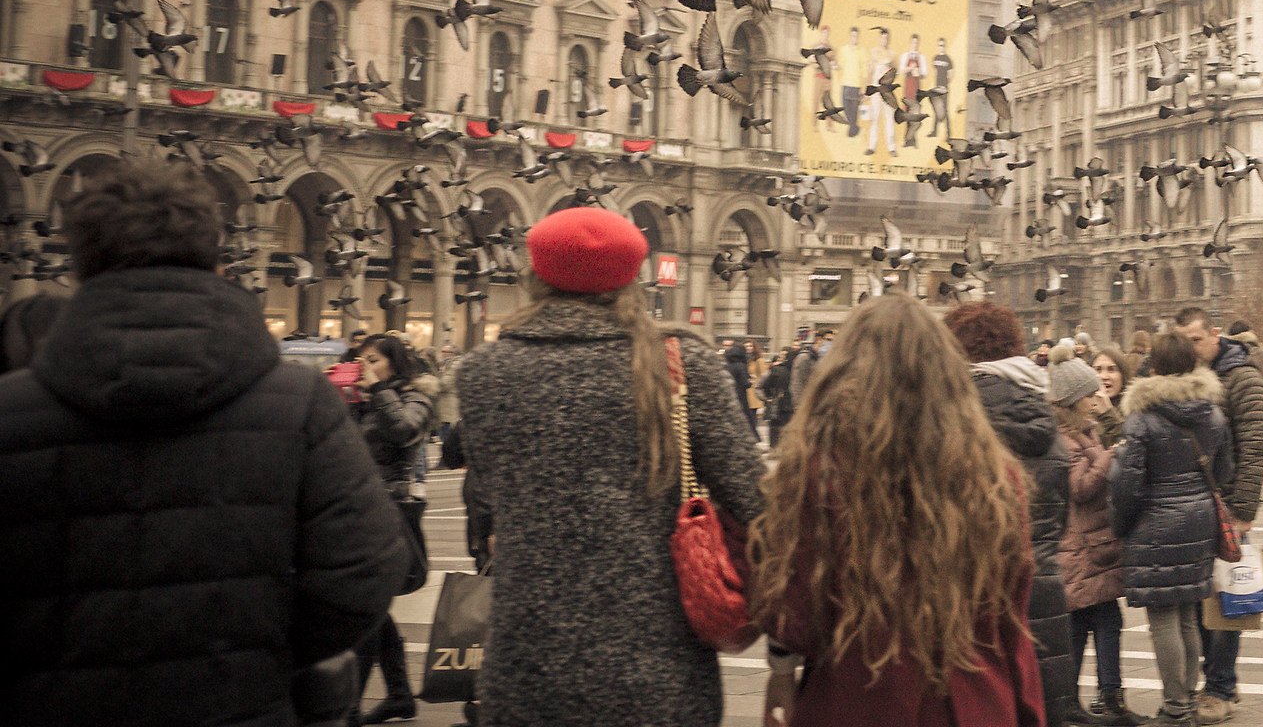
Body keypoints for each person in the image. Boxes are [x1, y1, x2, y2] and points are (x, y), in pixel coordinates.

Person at [0, 158, 410, 727]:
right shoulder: (299, 403)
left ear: (79, 263)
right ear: (215, 256)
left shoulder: (11, 413)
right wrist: (268, 656)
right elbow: (366, 567)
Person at [452, 207, 763, 727]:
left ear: (535, 273)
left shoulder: (483, 373)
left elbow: (490, 492)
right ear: (632, 278)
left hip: (527, 663)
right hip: (658, 668)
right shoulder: (683, 367)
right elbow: (755, 501)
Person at [749, 293, 1044, 726]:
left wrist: (780, 673)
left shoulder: (821, 469)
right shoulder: (996, 475)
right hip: (973, 698)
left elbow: (792, 610)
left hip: (856, 696)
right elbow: (1010, 612)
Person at [947, 303, 1081, 727]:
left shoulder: (952, 415)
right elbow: (1058, 517)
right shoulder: (1042, 408)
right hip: (1042, 583)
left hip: (972, 595)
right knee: (1044, 704)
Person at [1111, 329, 1231, 724]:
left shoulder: (1141, 418)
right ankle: (1188, 698)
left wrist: (1121, 526)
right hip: (1200, 517)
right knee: (1187, 613)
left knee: (1163, 618)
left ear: (1155, 367)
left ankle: (1176, 707)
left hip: (1156, 521)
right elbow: (1225, 470)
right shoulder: (1212, 413)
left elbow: (1127, 485)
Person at [1175, 307, 1263, 723]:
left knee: (1227, 598)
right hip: (1193, 502)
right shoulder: (1185, 377)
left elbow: (1254, 446)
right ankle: (1211, 679)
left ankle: (1220, 687)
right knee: (1199, 600)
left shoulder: (1242, 377)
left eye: (1196, 340)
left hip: (1227, 503)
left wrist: (1244, 509)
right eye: (1184, 342)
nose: (1191, 349)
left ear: (1214, 334)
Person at [350, 332, 440, 722]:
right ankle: (399, 695)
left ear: (394, 363)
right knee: (373, 609)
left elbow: (405, 431)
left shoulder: (415, 395)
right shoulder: (367, 402)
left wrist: (381, 391)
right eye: (361, 360)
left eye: (374, 359)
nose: (366, 367)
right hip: (359, 511)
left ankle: (349, 709)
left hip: (390, 513)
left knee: (368, 610)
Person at [1052, 356, 1140, 727]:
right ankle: (1085, 701)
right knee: (1090, 621)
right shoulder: (1065, 439)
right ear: (1074, 399)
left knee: (1099, 620)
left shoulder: (1085, 430)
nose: (1097, 396)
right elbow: (1080, 488)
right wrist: (1109, 457)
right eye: (1089, 392)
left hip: (1093, 545)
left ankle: (1095, 698)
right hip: (1080, 549)